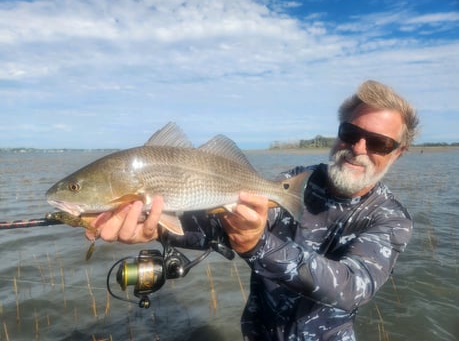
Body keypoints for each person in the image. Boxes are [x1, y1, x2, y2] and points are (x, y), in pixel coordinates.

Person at [86, 80, 419, 341]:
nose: (358, 148)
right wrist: (152, 222)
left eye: (379, 143)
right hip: (256, 332)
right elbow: (218, 228)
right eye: (351, 133)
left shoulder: (389, 217)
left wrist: (258, 244)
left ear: (398, 153)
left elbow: (351, 288)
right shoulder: (293, 182)